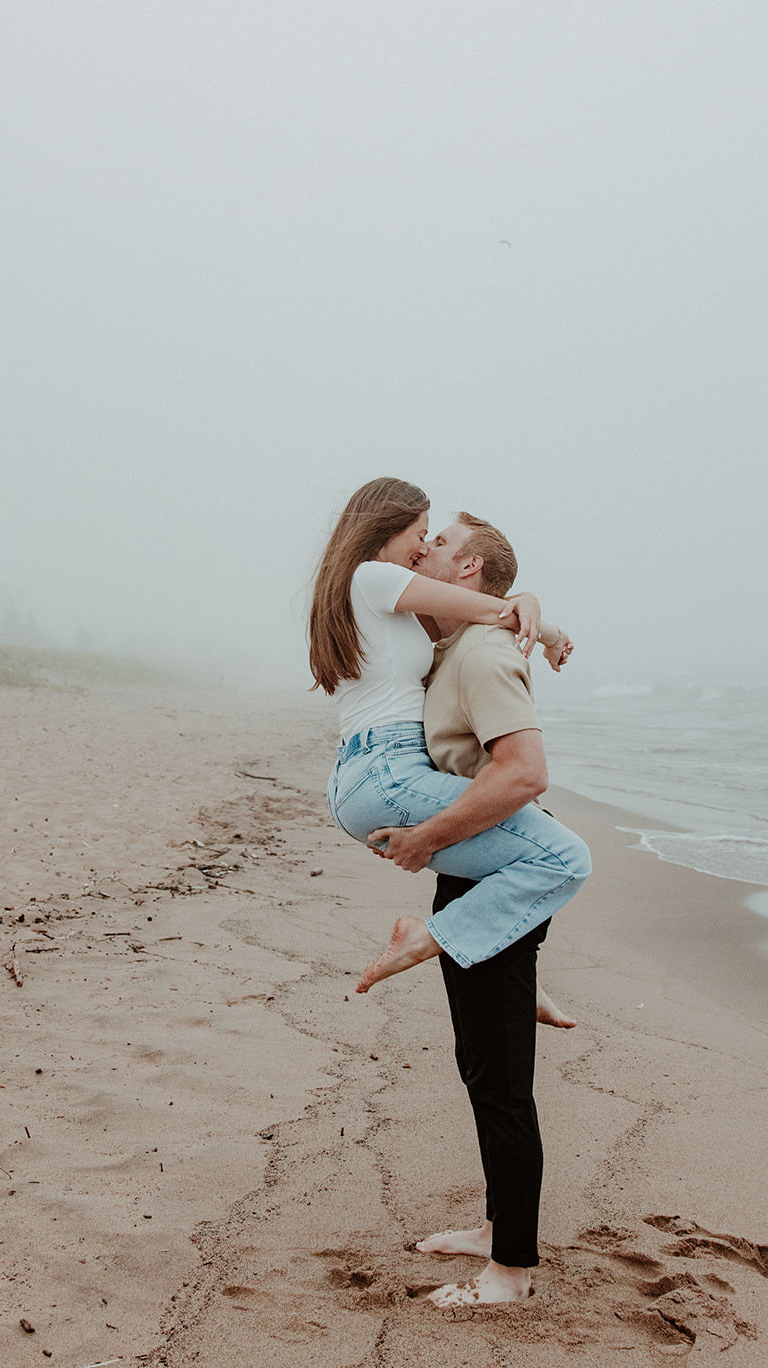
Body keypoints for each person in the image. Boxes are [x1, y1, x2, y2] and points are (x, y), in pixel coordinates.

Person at [370, 509, 573, 1309]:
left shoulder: (482, 653)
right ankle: (497, 1228)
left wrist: (424, 839)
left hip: (499, 868)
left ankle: (508, 1273)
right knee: (482, 1065)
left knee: (498, 1083)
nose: (425, 552)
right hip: (482, 865)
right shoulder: (453, 644)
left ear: (470, 574)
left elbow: (524, 775)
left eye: (441, 546)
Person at [309, 477, 591, 994]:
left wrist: (522, 597)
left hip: (365, 773)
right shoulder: (372, 576)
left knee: (508, 834)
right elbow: (486, 609)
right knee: (562, 857)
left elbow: (463, 612)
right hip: (387, 769)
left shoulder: (368, 593)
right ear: (387, 527)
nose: (422, 545)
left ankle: (520, 983)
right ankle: (427, 938)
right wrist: (547, 631)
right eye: (420, 532)